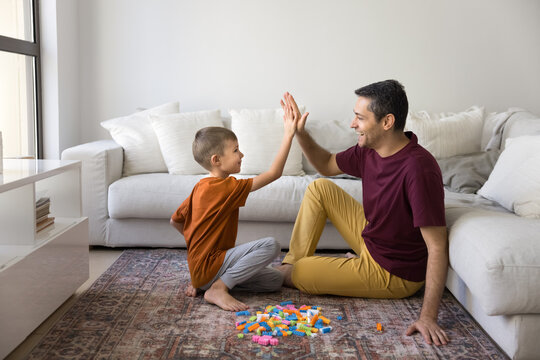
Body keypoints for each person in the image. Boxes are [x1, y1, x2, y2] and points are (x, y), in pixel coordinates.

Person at [276, 80, 450, 346]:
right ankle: (287, 267)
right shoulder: (369, 151)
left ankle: (291, 272)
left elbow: (437, 247)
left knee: (302, 273)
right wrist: (299, 132)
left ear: (387, 122)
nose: (352, 124)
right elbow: (325, 164)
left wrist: (428, 317)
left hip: (394, 271)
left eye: (360, 118)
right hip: (372, 240)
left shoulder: (419, 169)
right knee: (321, 188)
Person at [170, 102, 301, 312]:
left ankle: (210, 284)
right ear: (217, 160)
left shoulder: (199, 187)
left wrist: (197, 254)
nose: (242, 155)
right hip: (212, 267)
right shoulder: (226, 187)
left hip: (202, 274)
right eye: (236, 150)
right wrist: (288, 135)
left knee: (274, 281)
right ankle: (219, 288)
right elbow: (274, 173)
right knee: (271, 245)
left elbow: (175, 220)